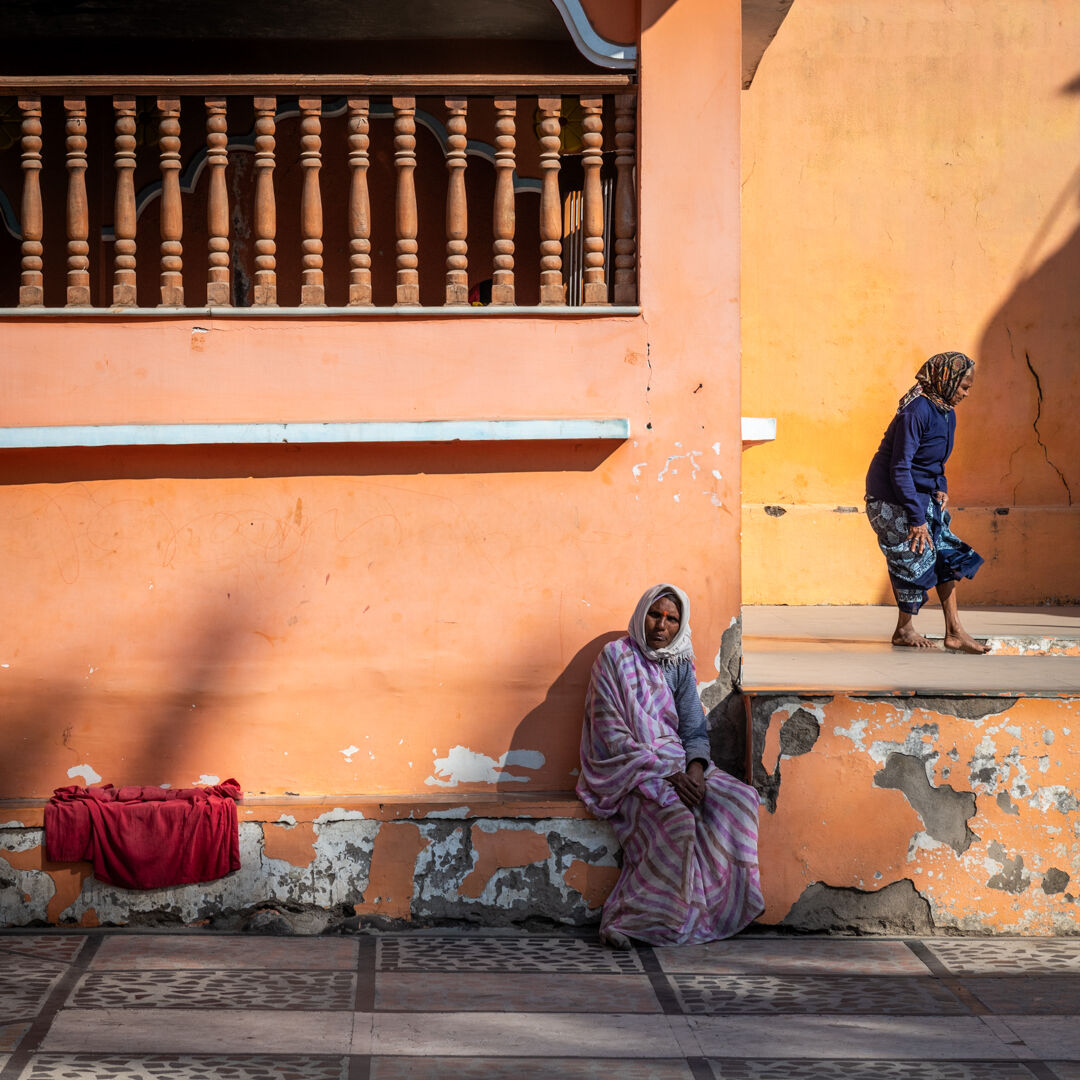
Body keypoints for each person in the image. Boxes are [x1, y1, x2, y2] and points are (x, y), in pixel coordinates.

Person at [576, 584, 763, 947]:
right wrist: (667, 774)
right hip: (630, 767)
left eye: (672, 619)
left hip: (678, 762)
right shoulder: (614, 658)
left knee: (740, 800)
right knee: (678, 821)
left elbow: (693, 727)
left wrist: (695, 770)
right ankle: (627, 920)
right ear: (641, 614)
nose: (661, 626)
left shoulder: (678, 662)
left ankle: (719, 911)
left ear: (681, 624)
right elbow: (609, 732)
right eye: (655, 615)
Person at [865, 352, 988, 653]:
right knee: (916, 554)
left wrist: (941, 488)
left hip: (920, 495)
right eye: (964, 387)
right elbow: (900, 468)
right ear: (946, 380)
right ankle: (904, 630)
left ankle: (954, 632)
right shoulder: (916, 412)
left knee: (945, 554)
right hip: (890, 498)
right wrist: (917, 518)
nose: (966, 394)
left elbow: (936, 462)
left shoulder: (946, 413)